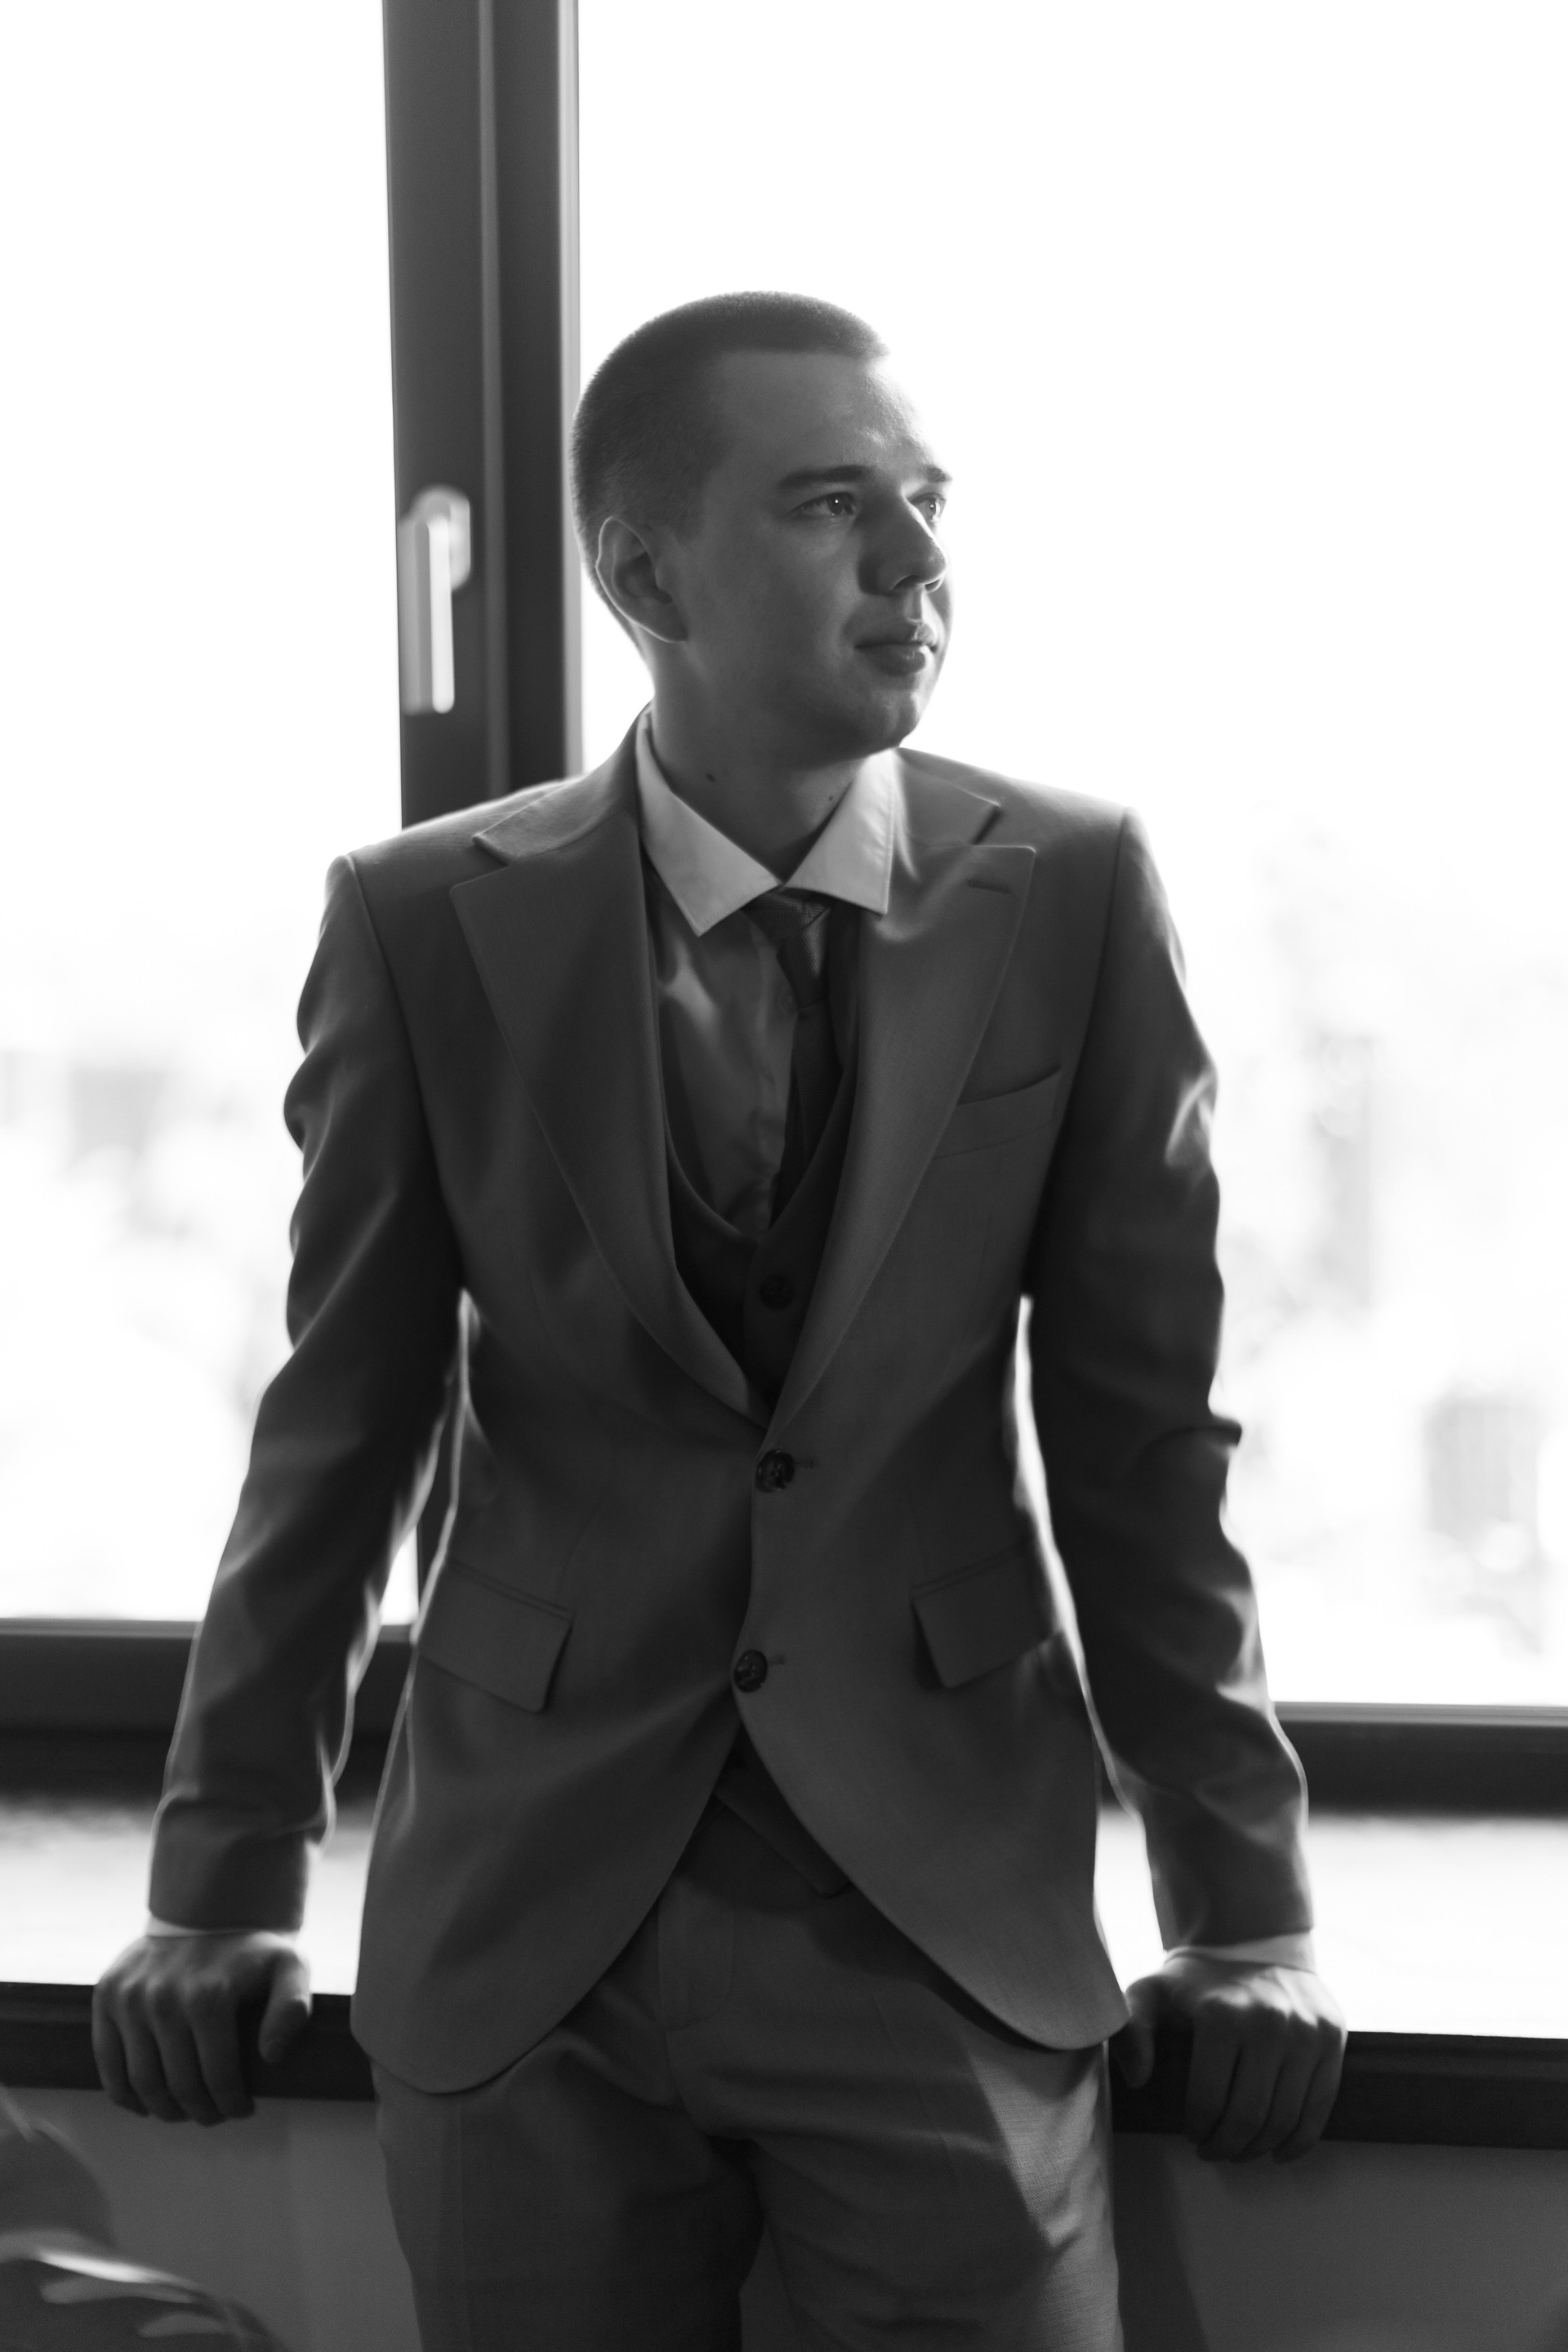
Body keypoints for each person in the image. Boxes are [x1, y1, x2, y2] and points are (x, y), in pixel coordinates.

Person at [93, 292, 1345, 2348]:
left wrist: (1246, 1909)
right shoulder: (423, 922)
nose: (919, 561)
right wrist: (221, 1878)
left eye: (929, 502)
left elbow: (1142, 1441)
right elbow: (342, 1424)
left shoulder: (1075, 891)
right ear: (646, 574)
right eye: (837, 505)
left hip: (936, 1905)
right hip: (528, 1920)